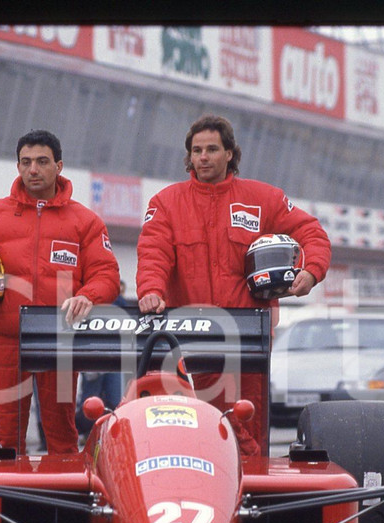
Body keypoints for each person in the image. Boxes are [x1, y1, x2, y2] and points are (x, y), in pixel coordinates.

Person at [136, 114, 331, 456]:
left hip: (248, 339)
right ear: (189, 156)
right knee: (191, 430)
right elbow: (153, 252)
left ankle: (252, 496)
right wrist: (151, 290)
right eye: (197, 150)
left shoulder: (263, 199)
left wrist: (311, 271)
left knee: (247, 427)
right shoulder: (166, 203)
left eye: (212, 149)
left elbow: (312, 233)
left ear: (230, 153)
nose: (204, 157)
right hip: (188, 337)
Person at [0, 129, 120, 454]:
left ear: (59, 165)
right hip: (6, 338)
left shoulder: (85, 221)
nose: (33, 169)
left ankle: (62, 502)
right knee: (5, 434)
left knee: (61, 434)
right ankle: (5, 503)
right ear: (17, 166)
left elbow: (107, 273)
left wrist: (89, 296)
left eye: (42, 162)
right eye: (26, 162)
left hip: (60, 338)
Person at [75, 281, 128, 438]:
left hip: (113, 359)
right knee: (90, 402)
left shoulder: (116, 300)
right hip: (93, 358)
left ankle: (111, 435)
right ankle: (88, 434)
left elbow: (128, 315)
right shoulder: (82, 299)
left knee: (115, 400)